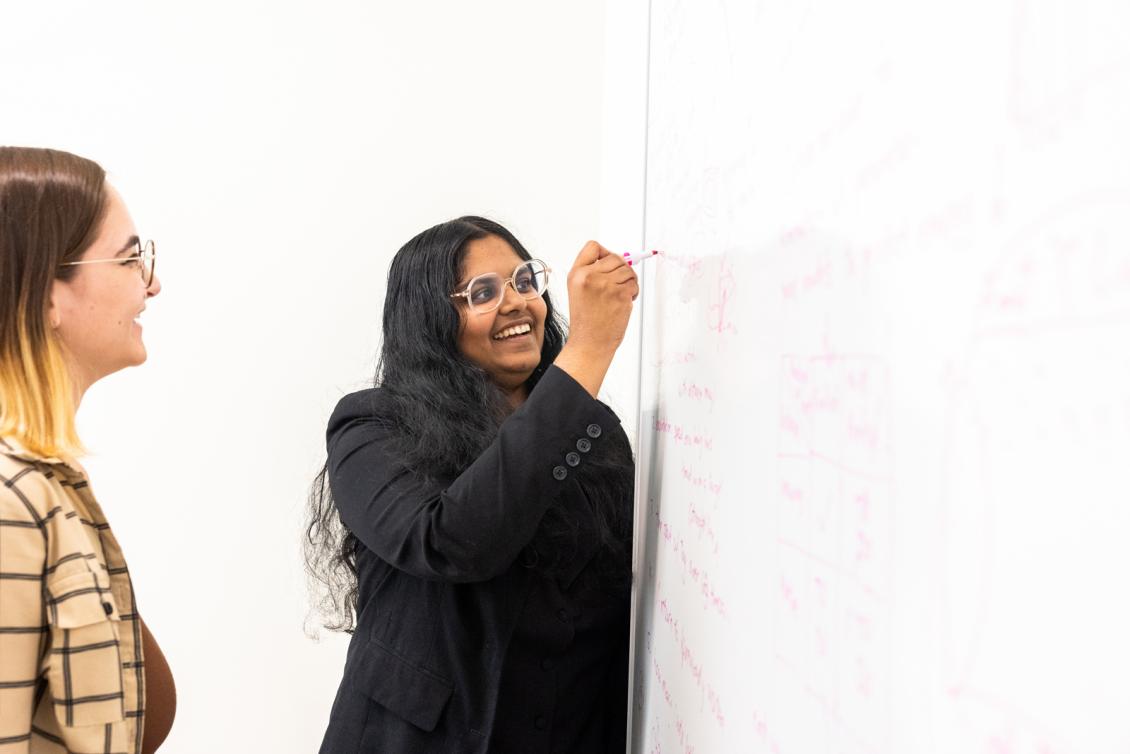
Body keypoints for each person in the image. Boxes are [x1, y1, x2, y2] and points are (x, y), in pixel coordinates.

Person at [307, 216, 638, 753]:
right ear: (430, 321)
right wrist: (589, 350)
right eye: (482, 292)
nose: (516, 303)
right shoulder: (371, 425)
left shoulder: (593, 432)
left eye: (525, 281)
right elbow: (450, 542)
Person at [0, 147, 175, 754]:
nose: (152, 282)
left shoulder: (48, 480)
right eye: (130, 259)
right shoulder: (9, 497)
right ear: (49, 294)